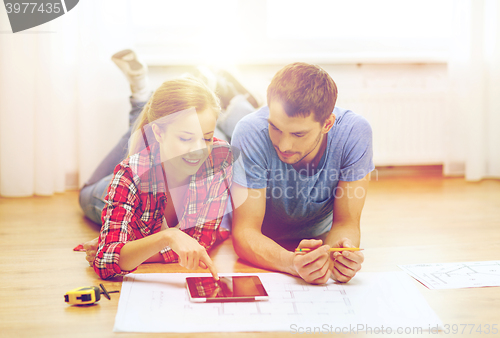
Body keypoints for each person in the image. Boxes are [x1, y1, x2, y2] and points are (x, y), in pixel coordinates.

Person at [79, 50, 237, 280]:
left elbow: (202, 241)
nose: (199, 150)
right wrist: (167, 238)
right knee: (86, 194)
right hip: (116, 185)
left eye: (207, 137)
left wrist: (133, 249)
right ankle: (141, 95)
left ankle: (167, 94)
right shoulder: (129, 174)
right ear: (159, 133)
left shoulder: (218, 159)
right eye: (186, 138)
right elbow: (105, 261)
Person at [229, 62, 374, 285]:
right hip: (266, 234)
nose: (284, 145)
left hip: (316, 236)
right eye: (275, 127)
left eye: (298, 134)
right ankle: (231, 97)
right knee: (230, 124)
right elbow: (244, 233)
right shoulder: (250, 131)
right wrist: (291, 263)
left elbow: (346, 224)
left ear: (327, 124)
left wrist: (339, 256)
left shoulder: (354, 133)